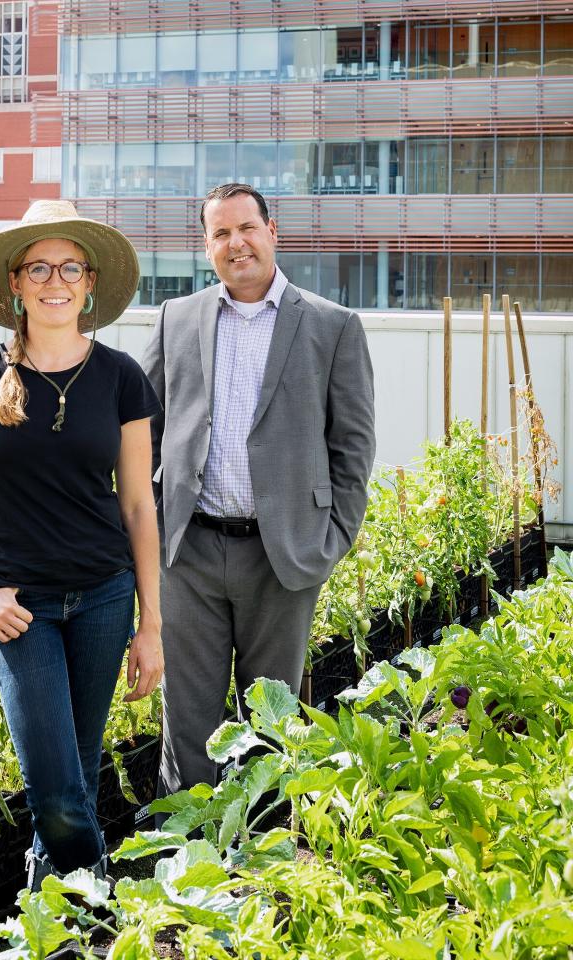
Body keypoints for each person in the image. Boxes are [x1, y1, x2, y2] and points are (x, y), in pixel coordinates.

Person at [0, 199, 164, 889]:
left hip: (105, 600)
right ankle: (104, 902)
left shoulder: (121, 378)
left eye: (70, 268)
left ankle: (51, 911)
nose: (56, 281)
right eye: (40, 268)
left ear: (89, 284)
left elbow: (140, 506)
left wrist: (152, 625)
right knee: (55, 786)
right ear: (17, 282)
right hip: (18, 607)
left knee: (76, 774)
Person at [140, 182, 375, 797]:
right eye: (220, 233)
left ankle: (261, 860)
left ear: (272, 232)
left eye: (246, 228)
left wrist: (331, 541)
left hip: (284, 557)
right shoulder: (176, 319)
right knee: (187, 717)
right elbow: (141, 433)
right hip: (188, 554)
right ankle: (184, 857)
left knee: (271, 723)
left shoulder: (333, 327)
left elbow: (353, 448)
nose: (235, 242)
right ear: (207, 245)